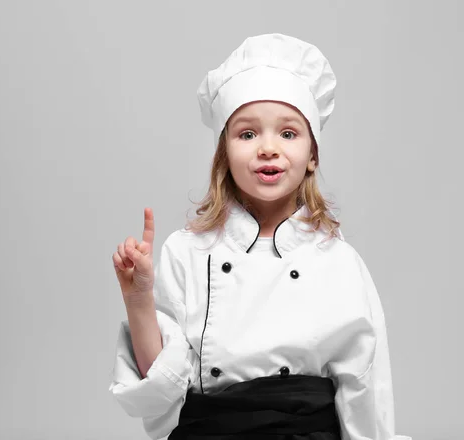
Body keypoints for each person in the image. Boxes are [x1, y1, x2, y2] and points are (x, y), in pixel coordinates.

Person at [109, 33, 411, 440]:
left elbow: (366, 388)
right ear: (224, 154)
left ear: (312, 156)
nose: (268, 148)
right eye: (247, 134)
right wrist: (138, 298)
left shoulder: (338, 262)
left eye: (288, 134)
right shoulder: (187, 252)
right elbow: (159, 391)